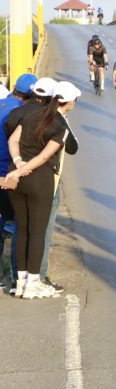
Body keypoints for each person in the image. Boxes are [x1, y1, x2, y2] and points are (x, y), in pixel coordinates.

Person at [5, 81, 81, 299]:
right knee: (37, 232)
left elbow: (13, 140)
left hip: (16, 178)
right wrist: (23, 170)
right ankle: (33, 284)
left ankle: (20, 282)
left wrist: (17, 164)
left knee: (22, 229)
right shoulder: (60, 125)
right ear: (70, 102)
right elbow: (44, 156)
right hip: (39, 180)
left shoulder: (31, 114)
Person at [0, 73, 38, 291]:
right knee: (17, 225)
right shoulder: (22, 114)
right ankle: (16, 276)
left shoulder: (2, 104)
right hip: (7, 174)